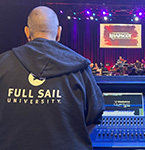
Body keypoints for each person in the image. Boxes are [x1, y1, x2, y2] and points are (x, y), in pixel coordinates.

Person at [0, 6, 105, 150]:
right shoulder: (81, 68)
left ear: (26, 32)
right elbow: (95, 115)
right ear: (59, 33)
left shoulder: (2, 63)